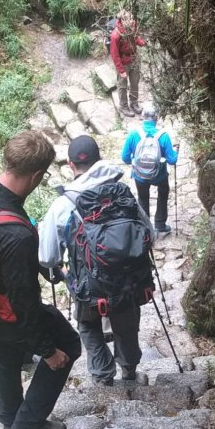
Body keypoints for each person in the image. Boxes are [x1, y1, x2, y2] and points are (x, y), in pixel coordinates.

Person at [0, 130, 82, 429]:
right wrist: (48, 351)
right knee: (68, 344)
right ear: (35, 176)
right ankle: (27, 427)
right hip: (7, 312)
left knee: (4, 353)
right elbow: (23, 304)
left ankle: (10, 419)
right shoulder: (16, 236)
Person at [39, 135, 154, 384]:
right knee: (126, 325)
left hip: (90, 288)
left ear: (71, 165)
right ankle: (129, 371)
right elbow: (150, 235)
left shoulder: (63, 205)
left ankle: (103, 377)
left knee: (89, 325)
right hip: (129, 282)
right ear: (99, 158)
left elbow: (47, 257)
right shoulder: (123, 195)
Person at [121, 103, 178, 235]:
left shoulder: (134, 134)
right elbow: (172, 160)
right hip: (159, 175)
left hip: (140, 176)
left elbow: (124, 157)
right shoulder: (163, 136)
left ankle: (146, 228)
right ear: (156, 118)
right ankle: (160, 224)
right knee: (163, 193)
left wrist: (135, 161)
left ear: (142, 117)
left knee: (142, 198)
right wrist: (176, 152)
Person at [109, 11, 146, 116]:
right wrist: (121, 70)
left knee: (135, 83)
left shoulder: (132, 28)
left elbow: (136, 37)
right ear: (123, 20)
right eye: (130, 19)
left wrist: (141, 42)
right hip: (123, 62)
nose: (132, 20)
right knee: (122, 86)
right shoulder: (116, 35)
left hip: (134, 59)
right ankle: (123, 106)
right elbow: (114, 54)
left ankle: (134, 103)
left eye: (132, 18)